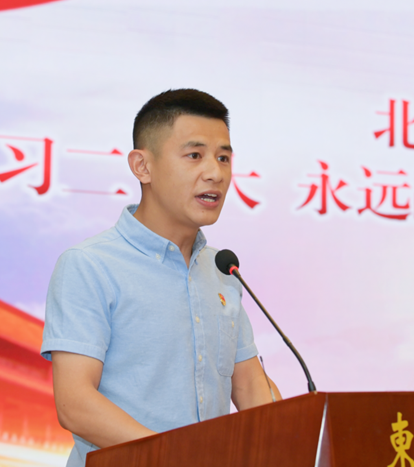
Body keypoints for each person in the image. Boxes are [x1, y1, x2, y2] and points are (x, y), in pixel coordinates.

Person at [40, 89, 281, 466]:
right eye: (195, 155)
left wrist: (292, 435)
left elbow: (250, 386)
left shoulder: (222, 270)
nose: (215, 173)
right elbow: (75, 403)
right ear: (142, 166)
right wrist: (179, 457)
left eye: (223, 158)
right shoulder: (90, 265)